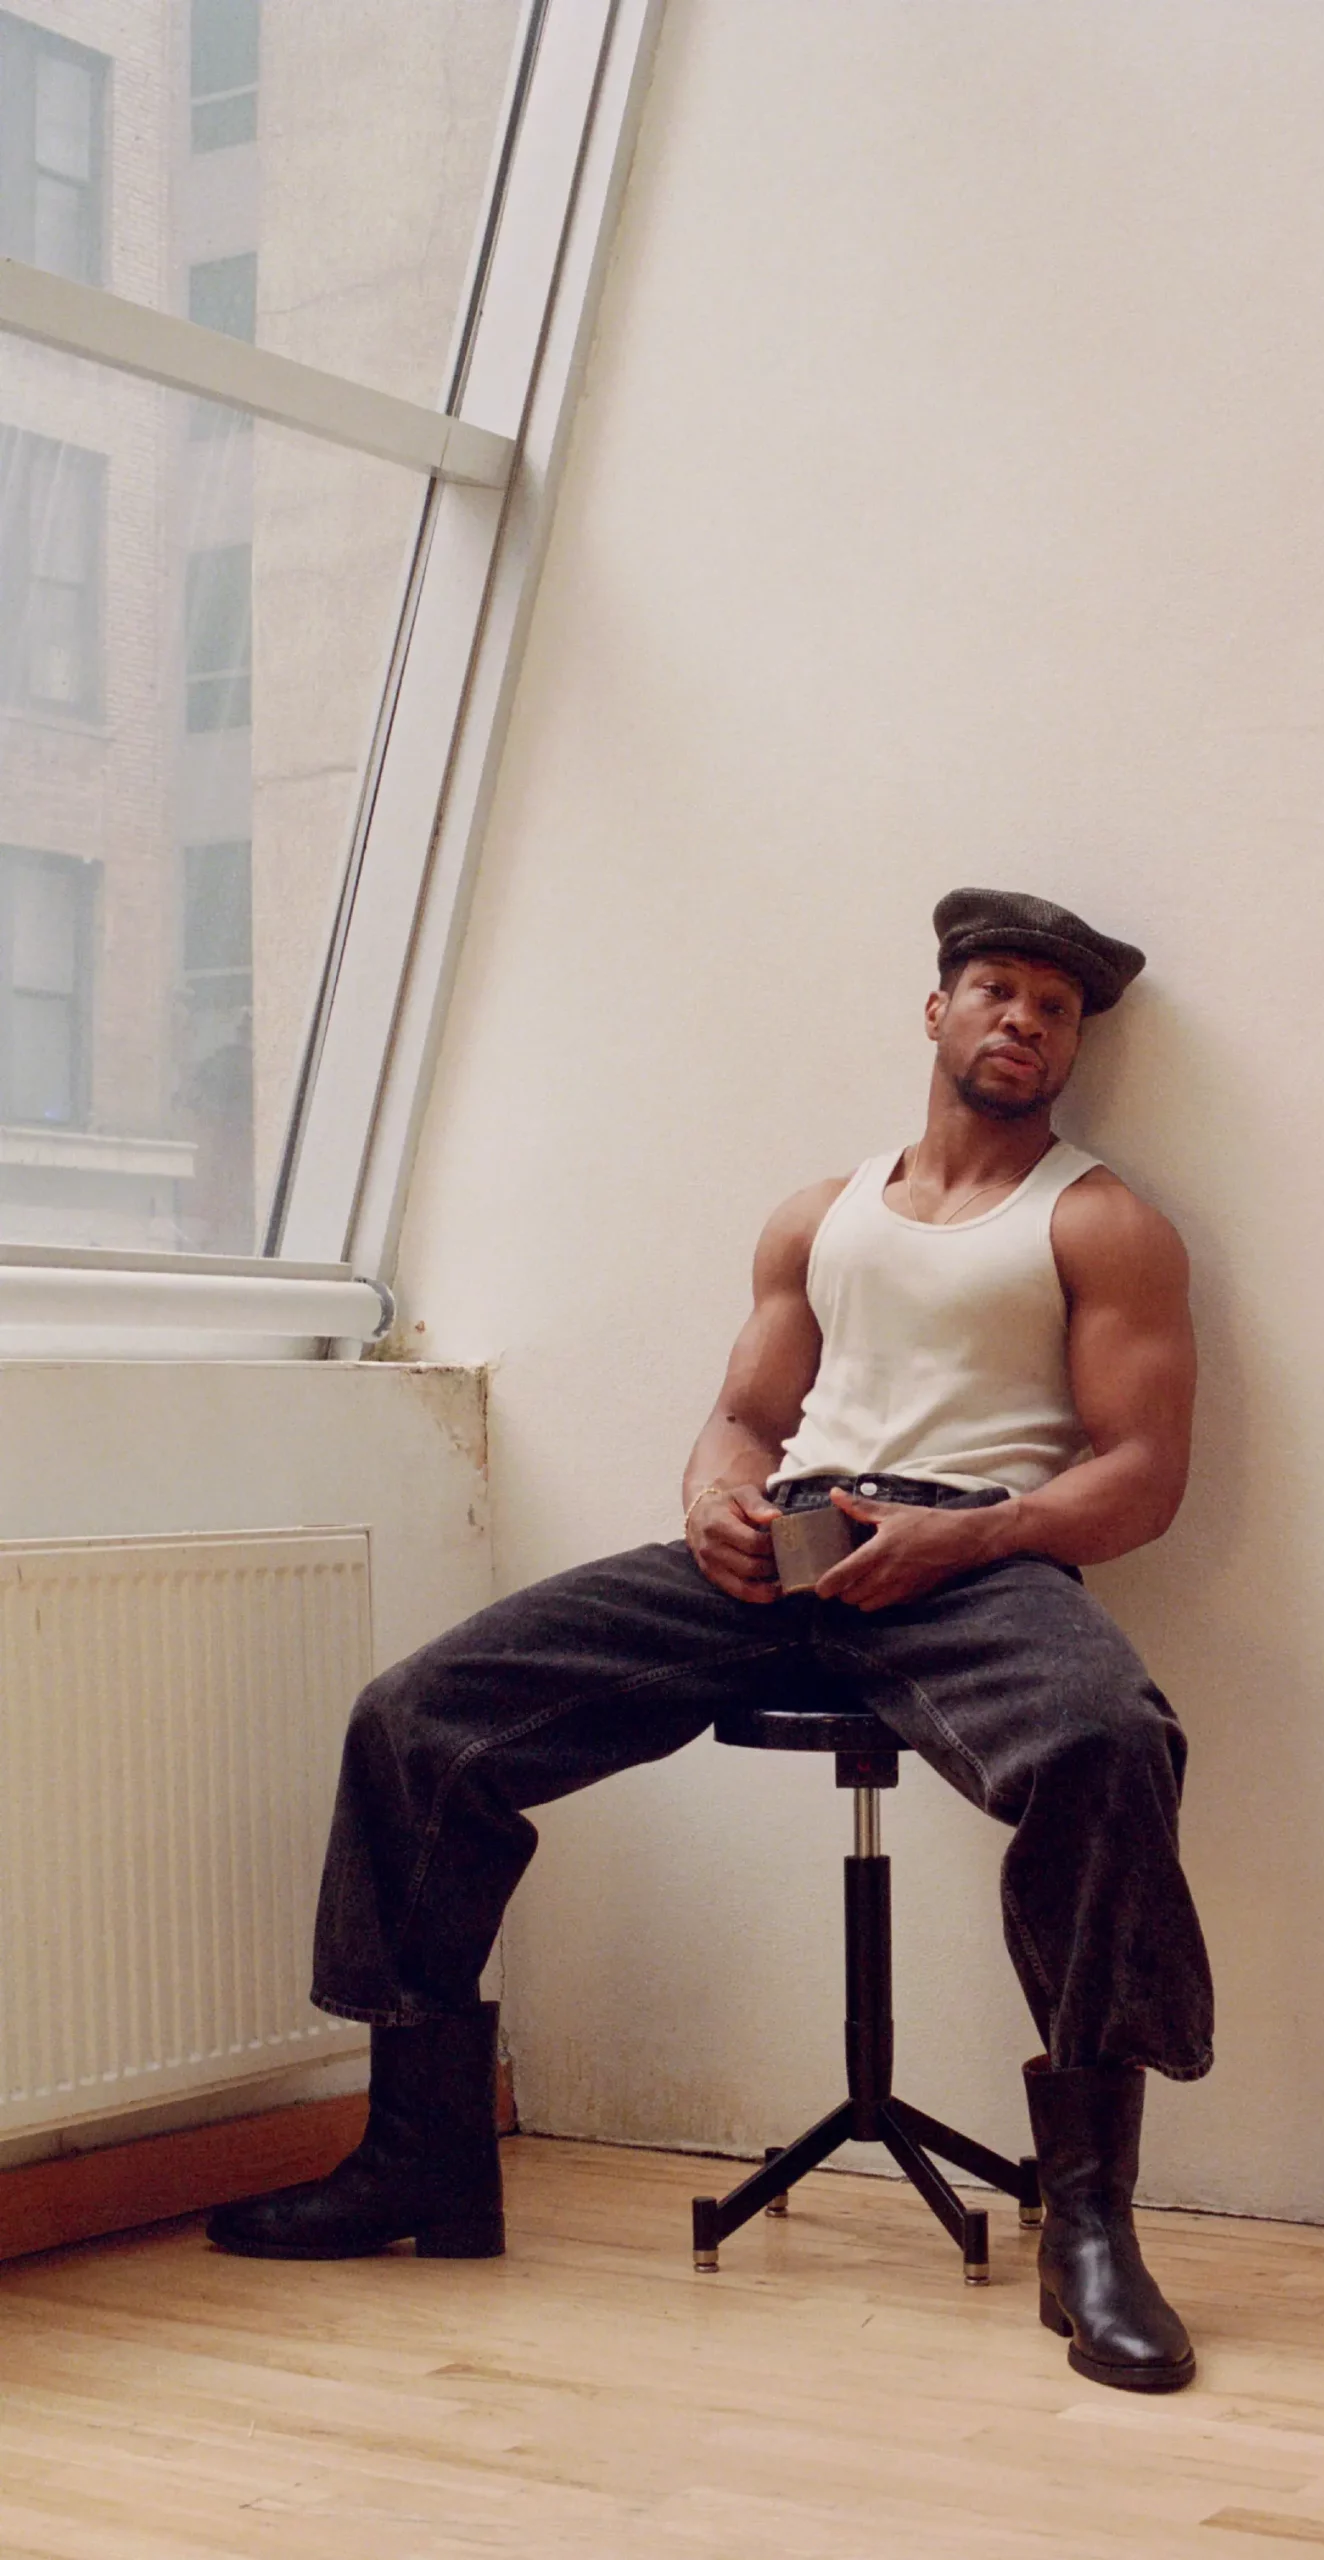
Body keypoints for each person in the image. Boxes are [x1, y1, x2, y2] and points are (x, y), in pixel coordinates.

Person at [209, 887, 1214, 2395]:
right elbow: (745, 1416)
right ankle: (419, 2158)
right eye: (997, 990)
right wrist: (712, 1504)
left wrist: (971, 1535)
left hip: (973, 1559)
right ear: (935, 1010)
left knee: (1109, 1743)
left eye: (1056, 1009)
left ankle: (1089, 2227)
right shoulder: (820, 1214)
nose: (1025, 1020)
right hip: (786, 1544)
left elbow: (1141, 1476)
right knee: (421, 1717)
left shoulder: (1100, 1220)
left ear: (1074, 1046)